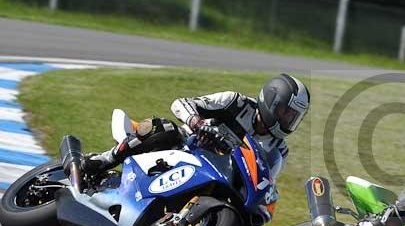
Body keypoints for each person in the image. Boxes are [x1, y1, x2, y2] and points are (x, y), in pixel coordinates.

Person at [83, 74, 311, 186]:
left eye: (294, 118)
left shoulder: (279, 150)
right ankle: (104, 160)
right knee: (162, 128)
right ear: (272, 102)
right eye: (286, 113)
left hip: (218, 177)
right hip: (187, 147)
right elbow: (180, 103)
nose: (289, 121)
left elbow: (264, 181)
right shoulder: (234, 102)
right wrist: (197, 123)